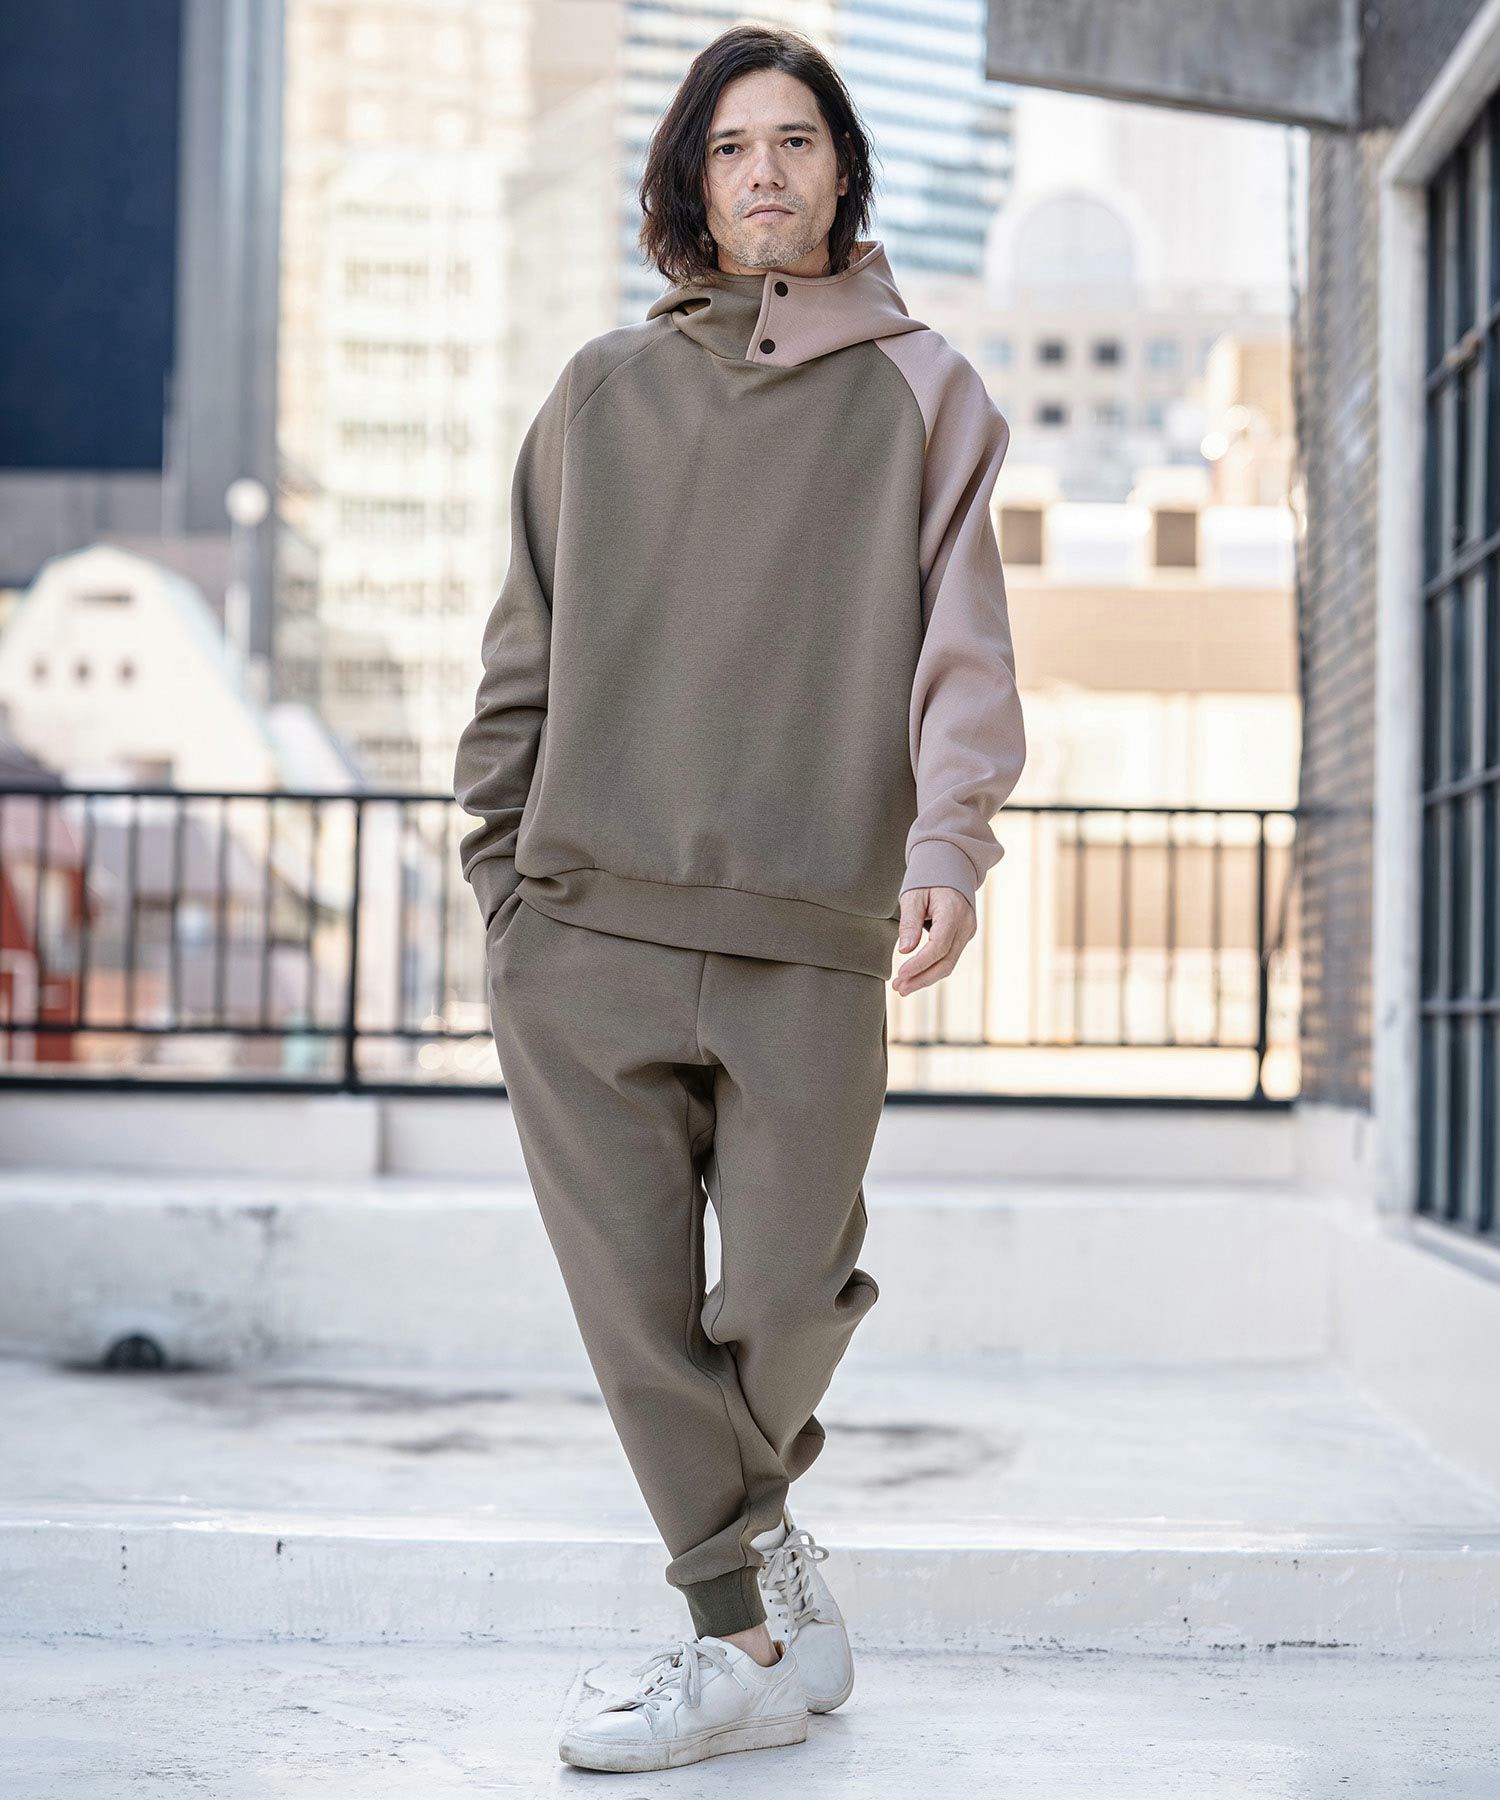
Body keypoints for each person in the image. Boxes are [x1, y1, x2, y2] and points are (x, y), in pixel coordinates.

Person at [452, 20, 1025, 1775]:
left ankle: (753, 1580)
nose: (764, 170)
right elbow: (519, 663)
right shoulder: (600, 394)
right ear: (689, 182)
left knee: (787, 1291)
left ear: (844, 169)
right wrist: (504, 894)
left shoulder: (926, 393)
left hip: (806, 940)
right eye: (729, 145)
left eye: (795, 139)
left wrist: (948, 847)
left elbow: (964, 651)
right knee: (638, 1326)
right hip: (584, 935)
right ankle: (748, 1638)